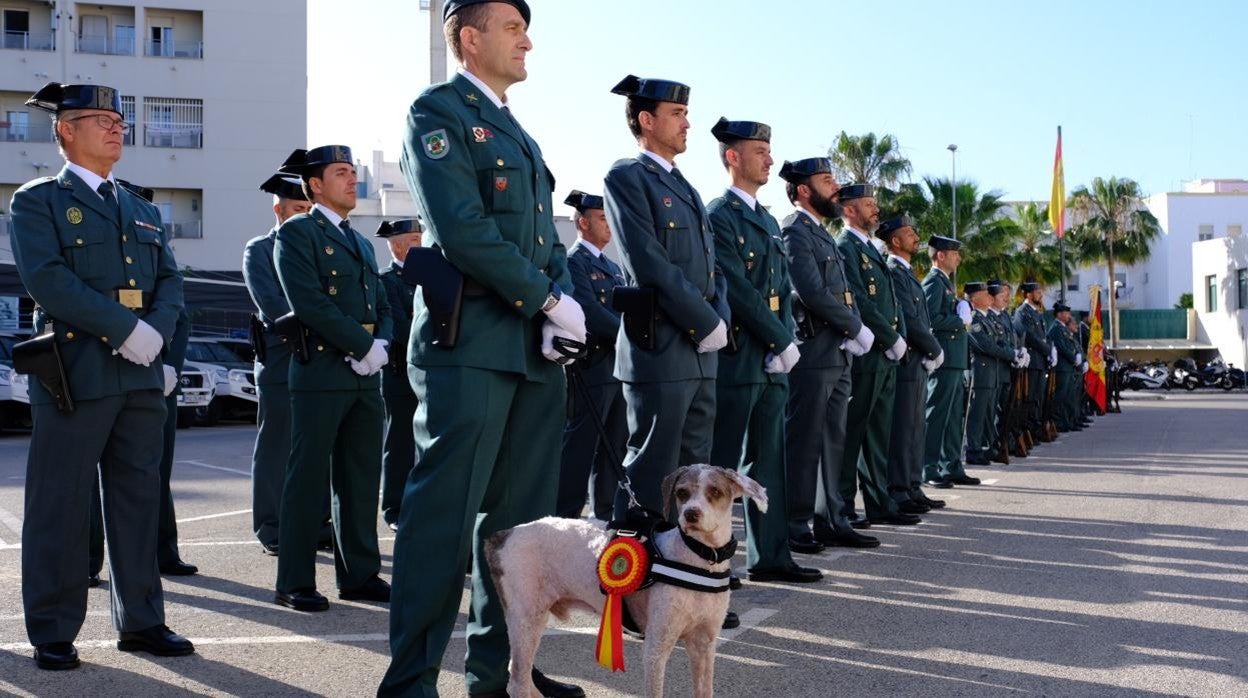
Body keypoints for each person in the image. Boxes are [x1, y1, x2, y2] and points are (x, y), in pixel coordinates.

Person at [381, 2, 587, 695]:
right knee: (442, 520)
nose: (527, 39)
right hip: (469, 345)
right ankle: (409, 683)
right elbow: (463, 230)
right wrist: (549, 300)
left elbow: (541, 237)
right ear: (470, 38)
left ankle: (500, 676)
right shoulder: (437, 112)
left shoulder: (517, 132)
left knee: (519, 534)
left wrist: (559, 304)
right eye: (511, 27)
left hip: (530, 353)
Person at [11, 81, 193, 670]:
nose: (116, 127)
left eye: (119, 119)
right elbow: (48, 280)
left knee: (138, 504)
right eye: (99, 119)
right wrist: (125, 329)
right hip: (77, 373)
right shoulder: (37, 200)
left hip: (140, 377)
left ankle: (142, 621)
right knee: (59, 507)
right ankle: (53, 628)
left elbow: (169, 280)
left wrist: (157, 336)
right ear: (65, 130)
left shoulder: (141, 206)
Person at [603, 74, 730, 519]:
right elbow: (649, 262)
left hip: (699, 350)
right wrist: (706, 321)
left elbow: (714, 270)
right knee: (654, 468)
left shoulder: (687, 188)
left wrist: (721, 319)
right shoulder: (627, 177)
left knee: (695, 473)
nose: (687, 123)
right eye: (677, 114)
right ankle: (635, 570)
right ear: (646, 119)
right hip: (661, 346)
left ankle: (685, 566)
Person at [272, 144, 393, 612]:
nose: (352, 180)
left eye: (353, 172)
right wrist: (362, 346)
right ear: (315, 185)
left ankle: (359, 574)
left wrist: (380, 345)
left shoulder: (361, 241)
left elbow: (381, 303)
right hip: (323, 372)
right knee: (307, 480)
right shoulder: (298, 233)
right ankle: (295, 580)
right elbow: (310, 303)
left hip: (365, 377)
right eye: (340, 173)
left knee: (361, 478)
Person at [706, 118, 820, 582]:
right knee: (722, 467)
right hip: (740, 357)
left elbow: (782, 287)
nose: (770, 158)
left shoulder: (769, 220)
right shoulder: (719, 216)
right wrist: (779, 339)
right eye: (760, 150)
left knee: (768, 461)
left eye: (769, 150)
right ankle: (711, 560)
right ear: (733, 157)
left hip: (772, 359)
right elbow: (736, 289)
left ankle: (771, 555)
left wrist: (785, 338)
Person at [90, 183, 195, 585]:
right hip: (104, 373)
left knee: (155, 473)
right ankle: (89, 559)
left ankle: (163, 550)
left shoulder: (159, 268)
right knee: (93, 481)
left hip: (157, 378)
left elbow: (178, 318)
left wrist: (171, 367)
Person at [778, 158, 878, 549]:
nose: (835, 186)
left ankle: (833, 517)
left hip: (837, 352)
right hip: (814, 350)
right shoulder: (795, 231)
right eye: (826, 180)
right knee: (804, 442)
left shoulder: (821, 234)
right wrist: (854, 327)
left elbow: (844, 294)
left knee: (833, 439)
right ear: (804, 190)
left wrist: (854, 327)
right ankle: (797, 522)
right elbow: (811, 291)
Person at [242, 172, 315, 556]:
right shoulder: (260, 249)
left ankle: (317, 522)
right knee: (276, 447)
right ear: (279, 209)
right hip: (282, 359)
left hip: (320, 361)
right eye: (298, 208)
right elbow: (273, 304)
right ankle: (271, 526)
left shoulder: (317, 248)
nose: (305, 215)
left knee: (317, 448)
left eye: (309, 208)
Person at [835, 184, 917, 526]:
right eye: (868, 205)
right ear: (850, 210)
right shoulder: (846, 246)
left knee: (877, 433)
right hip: (869, 351)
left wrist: (896, 338)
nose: (875, 210)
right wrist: (889, 337)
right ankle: (842, 507)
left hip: (884, 354)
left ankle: (879, 501)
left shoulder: (869, 248)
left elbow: (889, 302)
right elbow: (859, 300)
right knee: (852, 434)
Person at [555, 190, 624, 521]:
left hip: (617, 365)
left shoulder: (612, 266)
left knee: (614, 446)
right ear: (583, 223)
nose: (608, 225)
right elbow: (590, 312)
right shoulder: (574, 262)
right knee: (581, 445)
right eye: (601, 218)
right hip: (591, 366)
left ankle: (605, 513)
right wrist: (629, 337)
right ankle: (565, 515)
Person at [878, 215, 946, 512]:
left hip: (917, 360)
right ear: (895, 241)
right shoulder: (894, 271)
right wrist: (934, 348)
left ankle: (913, 486)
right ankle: (899, 489)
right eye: (909, 233)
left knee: (915, 428)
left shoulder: (908, 273)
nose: (915, 237)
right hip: (907, 360)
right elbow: (911, 319)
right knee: (903, 428)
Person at [375, 219, 422, 531]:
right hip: (400, 375)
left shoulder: (428, 277)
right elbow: (400, 326)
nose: (422, 244)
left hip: (429, 373)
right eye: (416, 239)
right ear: (397, 245)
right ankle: (394, 508)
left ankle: (419, 504)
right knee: (401, 443)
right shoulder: (386, 280)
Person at [922, 235, 978, 487]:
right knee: (937, 415)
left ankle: (951, 464)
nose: (959, 258)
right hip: (943, 357)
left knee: (954, 416)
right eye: (954, 253)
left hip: (955, 358)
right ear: (940, 255)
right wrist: (961, 320)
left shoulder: (945, 283)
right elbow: (930, 319)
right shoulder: (934, 282)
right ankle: (929, 468)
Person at [964, 282, 1014, 466]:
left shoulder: (988, 320)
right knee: (977, 414)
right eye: (985, 294)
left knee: (988, 413)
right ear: (975, 298)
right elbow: (986, 345)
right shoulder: (974, 319)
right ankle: (973, 449)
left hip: (992, 372)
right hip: (981, 371)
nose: (990, 297)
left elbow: (999, 342)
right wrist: (1011, 354)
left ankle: (985, 447)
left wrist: (1014, 353)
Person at [1014, 281, 1053, 443]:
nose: (1040, 295)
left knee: (1038, 398)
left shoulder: (1037, 313)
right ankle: (1028, 431)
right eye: (1037, 292)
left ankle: (1036, 430)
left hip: (1040, 361)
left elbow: (1043, 336)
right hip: (1032, 362)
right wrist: (1047, 350)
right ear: (1028, 295)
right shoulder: (1022, 312)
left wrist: (1050, 351)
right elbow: (1029, 336)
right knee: (1029, 398)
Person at [1048, 302, 1082, 432]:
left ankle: (1068, 421)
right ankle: (1059, 423)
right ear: (1059, 314)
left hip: (1068, 367)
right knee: (1061, 396)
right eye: (1066, 313)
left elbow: (1071, 345)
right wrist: (1074, 358)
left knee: (1069, 396)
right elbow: (1062, 347)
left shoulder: (1062, 328)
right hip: (1062, 367)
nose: (1068, 316)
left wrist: (1077, 356)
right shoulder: (1056, 328)